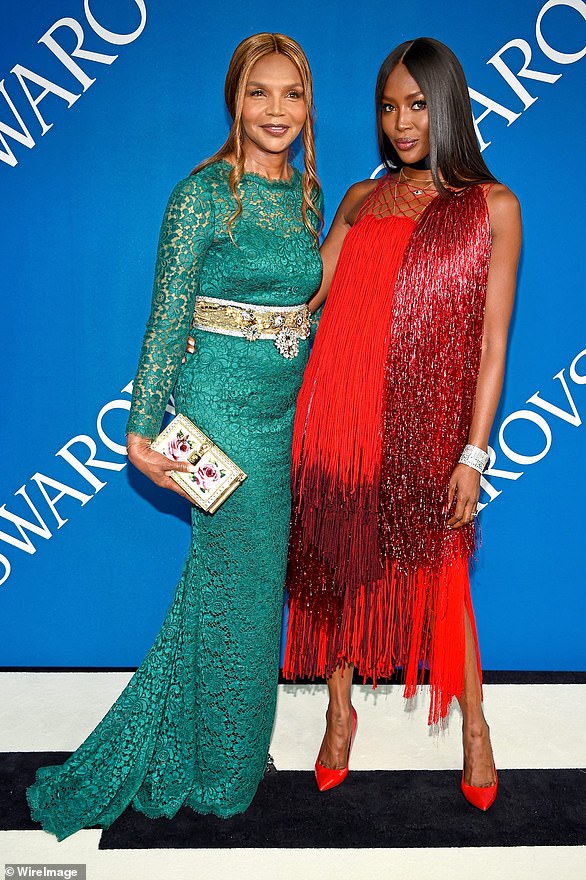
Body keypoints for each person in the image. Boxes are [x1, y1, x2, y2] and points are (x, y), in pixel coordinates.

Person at [26, 32, 323, 840]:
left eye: (290, 95)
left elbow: (310, 305)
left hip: (278, 413)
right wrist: (138, 429)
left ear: (308, 105)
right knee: (237, 589)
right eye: (257, 93)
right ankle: (218, 770)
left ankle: (216, 750)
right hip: (217, 413)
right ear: (234, 99)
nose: (274, 111)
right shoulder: (202, 195)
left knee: (243, 596)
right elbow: (166, 318)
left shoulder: (305, 195)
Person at [282, 37, 521, 811]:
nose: (400, 121)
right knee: (340, 567)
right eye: (388, 107)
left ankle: (476, 728)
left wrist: (474, 454)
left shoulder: (492, 207)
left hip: (426, 425)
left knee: (444, 575)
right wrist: (222, 318)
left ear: (448, 103)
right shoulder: (359, 198)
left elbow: (492, 345)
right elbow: (306, 300)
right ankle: (338, 713)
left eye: (417, 104)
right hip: (339, 411)